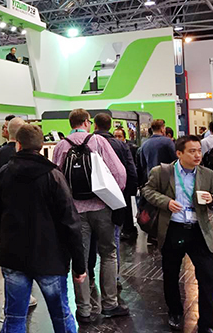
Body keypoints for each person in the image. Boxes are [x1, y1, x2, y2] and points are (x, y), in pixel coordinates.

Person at [0, 124, 86, 333]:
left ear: (17, 144)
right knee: (61, 316)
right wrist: (79, 264)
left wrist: (5, 238)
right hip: (50, 258)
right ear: (42, 146)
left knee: (14, 317)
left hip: (13, 256)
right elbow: (70, 222)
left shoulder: (4, 173)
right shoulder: (54, 176)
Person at [52, 109, 128, 323]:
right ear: (87, 122)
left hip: (75, 212)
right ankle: (110, 304)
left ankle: (83, 310)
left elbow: (55, 178)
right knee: (108, 253)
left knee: (80, 259)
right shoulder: (98, 141)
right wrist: (113, 194)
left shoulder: (61, 145)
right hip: (102, 207)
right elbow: (119, 172)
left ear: (70, 123)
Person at [141, 135, 213, 333]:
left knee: (208, 277)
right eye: (192, 151)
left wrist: (212, 200)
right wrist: (166, 202)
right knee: (170, 274)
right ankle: (175, 312)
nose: (197, 155)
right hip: (172, 229)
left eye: (199, 151)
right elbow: (147, 190)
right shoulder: (162, 172)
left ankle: (206, 324)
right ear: (179, 153)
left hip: (199, 231)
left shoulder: (207, 174)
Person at [0, 117, 38, 314]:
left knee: (10, 263)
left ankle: (13, 300)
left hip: (7, 220)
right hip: (30, 219)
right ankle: (27, 294)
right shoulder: (36, 162)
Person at [93, 114, 138, 241]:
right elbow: (131, 169)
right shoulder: (121, 145)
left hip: (95, 193)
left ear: (95, 125)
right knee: (116, 228)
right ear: (109, 126)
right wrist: (131, 190)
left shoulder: (89, 143)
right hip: (119, 191)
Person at [138, 119, 178, 184]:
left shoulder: (144, 144)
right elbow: (176, 159)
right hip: (167, 178)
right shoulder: (168, 142)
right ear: (162, 129)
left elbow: (143, 165)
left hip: (151, 178)